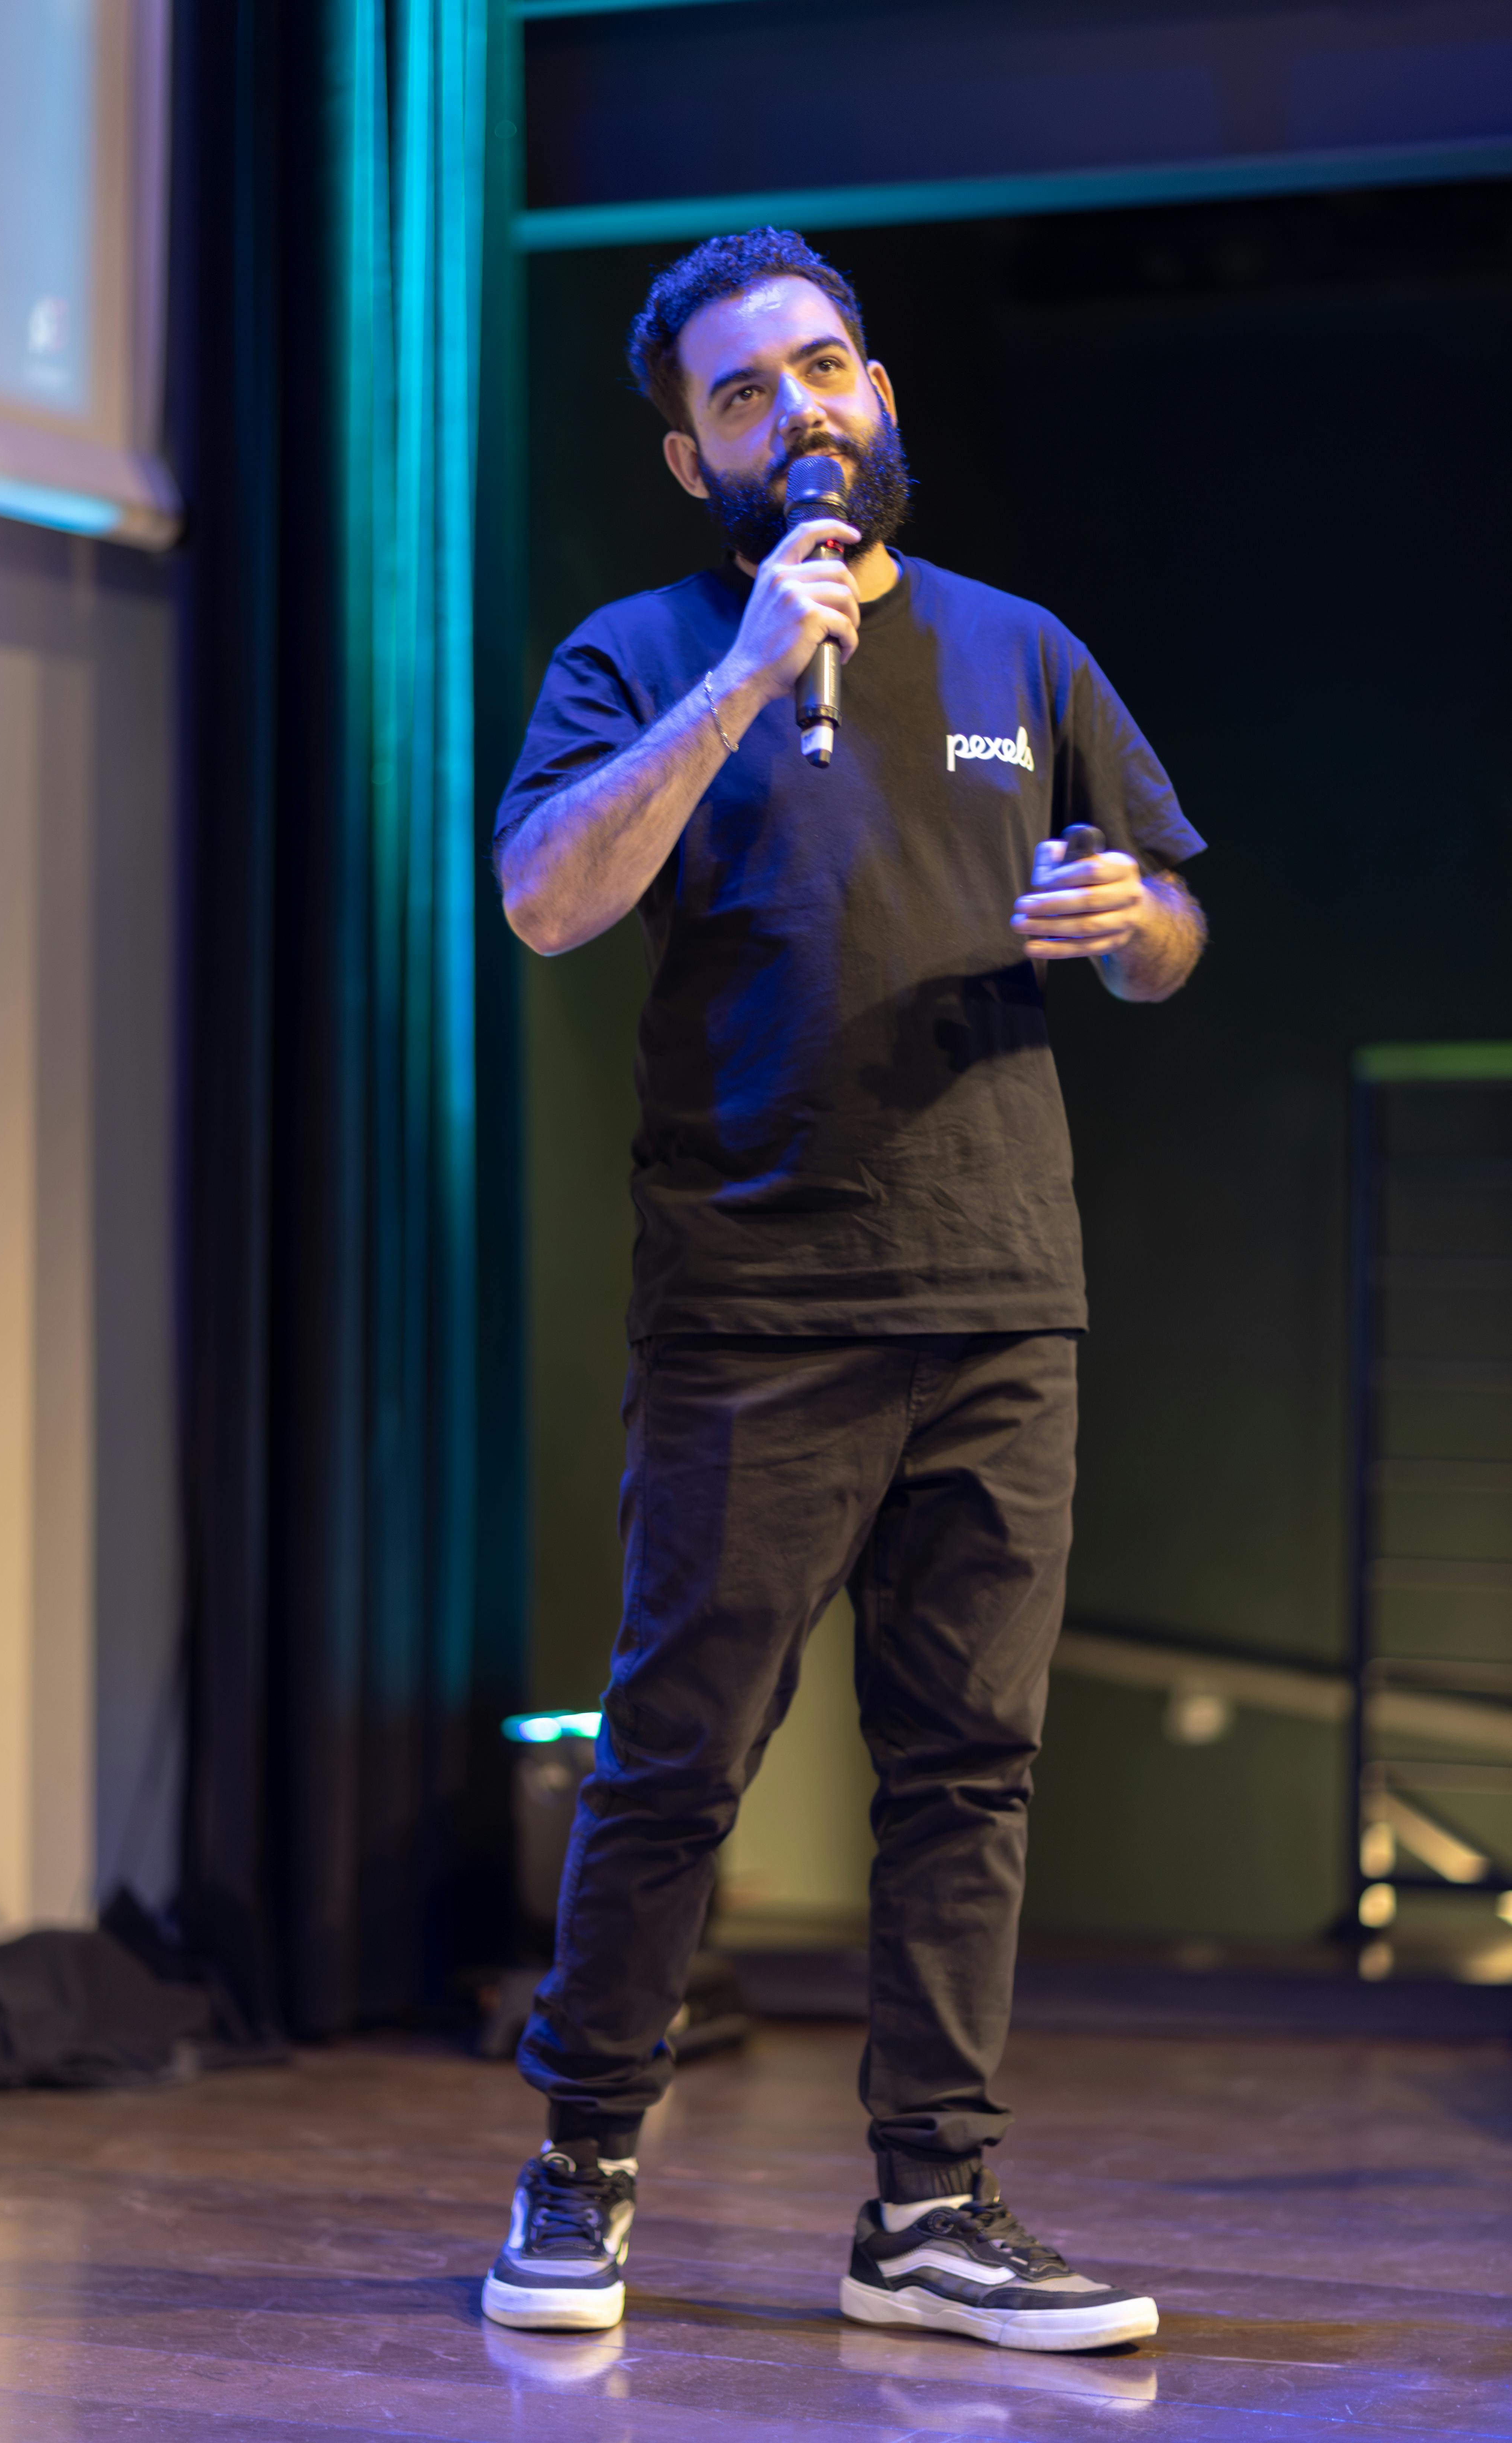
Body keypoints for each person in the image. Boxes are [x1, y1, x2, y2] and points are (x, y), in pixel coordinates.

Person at [482, 227, 1206, 2353]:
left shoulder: (1019, 647)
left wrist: (1124, 916)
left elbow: (1171, 912)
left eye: (822, 368)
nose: (798, 410)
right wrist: (736, 680)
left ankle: (929, 2211)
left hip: (998, 1291)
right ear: (684, 454)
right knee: (674, 1756)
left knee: (965, 1769)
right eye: (741, 394)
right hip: (756, 1302)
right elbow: (543, 899)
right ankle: (579, 2165)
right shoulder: (638, 652)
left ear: (877, 391)